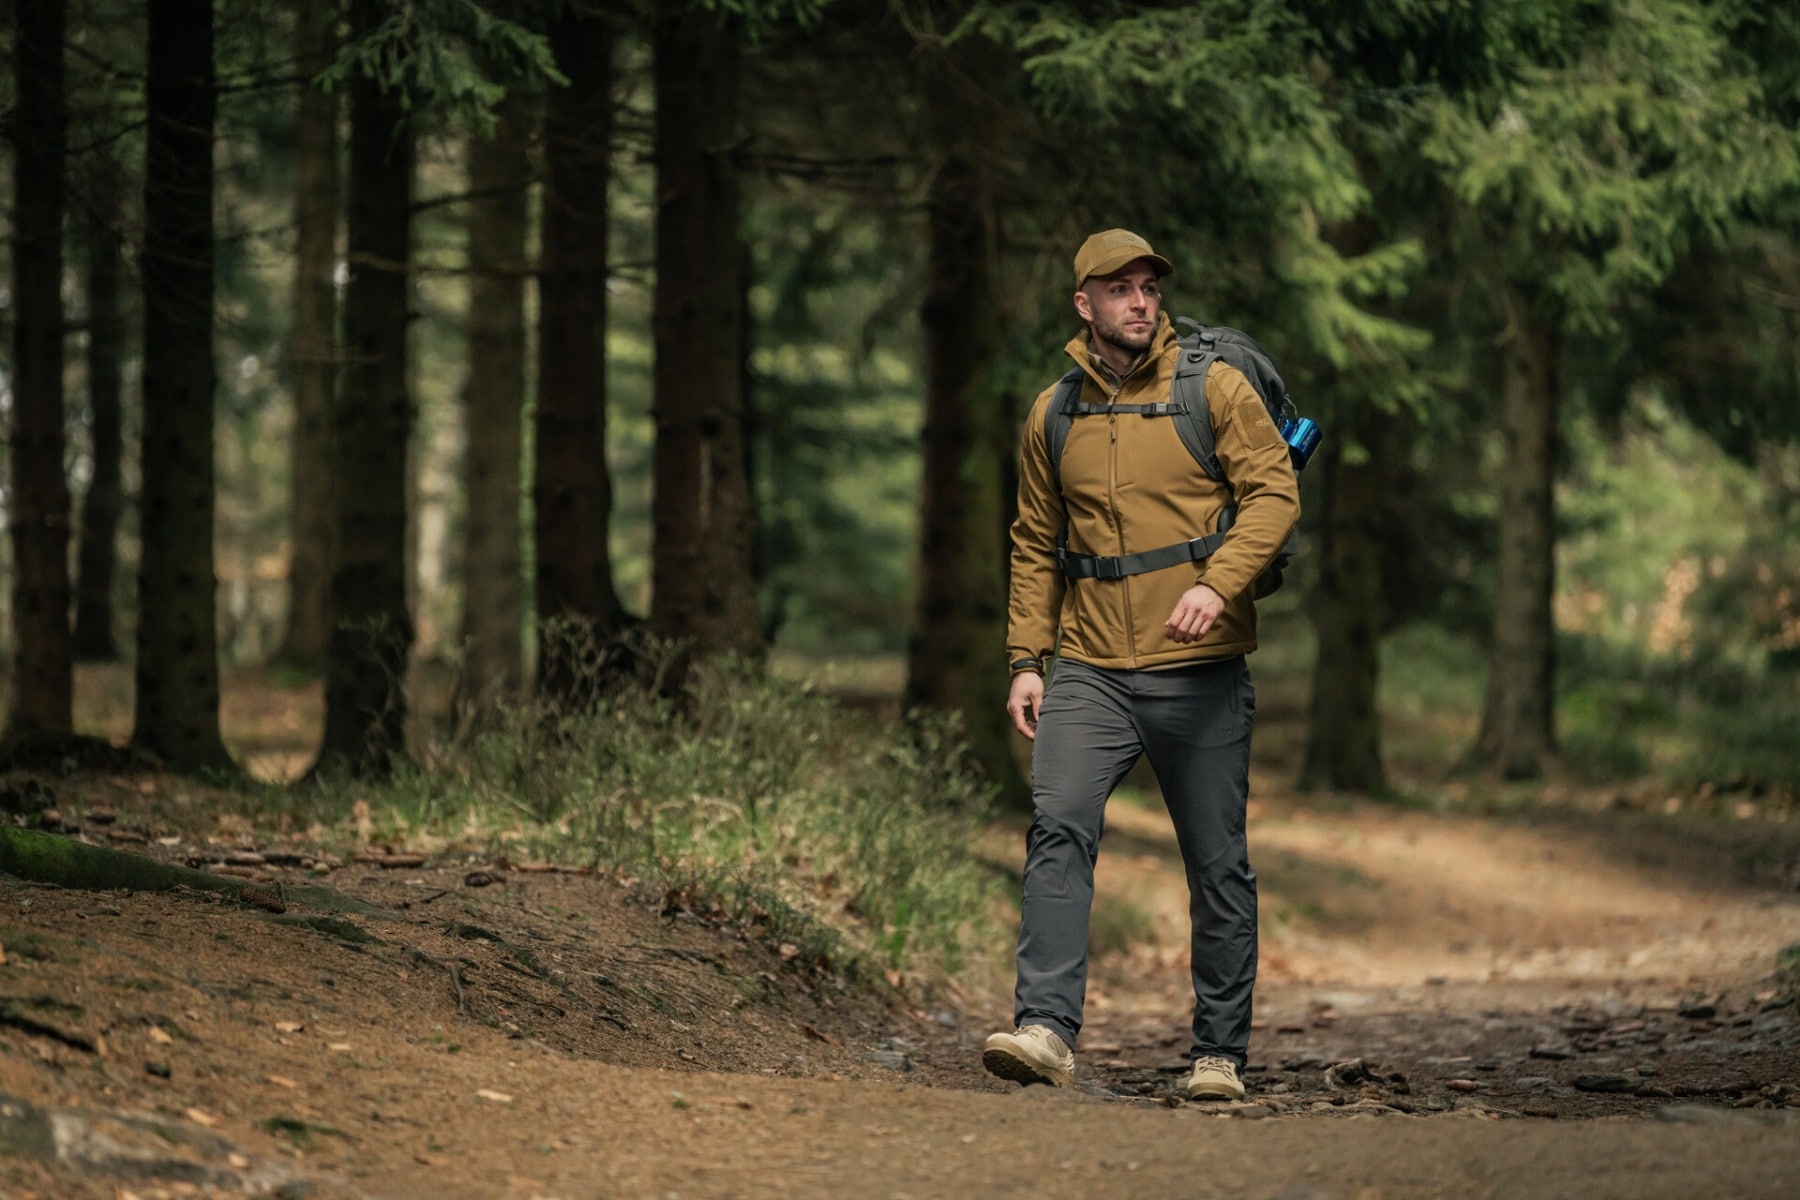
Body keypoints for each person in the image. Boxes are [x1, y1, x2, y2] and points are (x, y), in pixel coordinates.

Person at [982, 229, 1300, 1101]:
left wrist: (1218, 583)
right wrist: (1025, 659)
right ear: (1083, 304)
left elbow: (1275, 494)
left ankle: (1217, 1055)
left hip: (1200, 667)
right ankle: (1045, 1028)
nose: (1139, 302)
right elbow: (1034, 543)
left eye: (1149, 288)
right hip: (1088, 665)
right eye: (1119, 289)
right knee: (1059, 826)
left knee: (1216, 860)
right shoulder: (1053, 413)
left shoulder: (1215, 389)